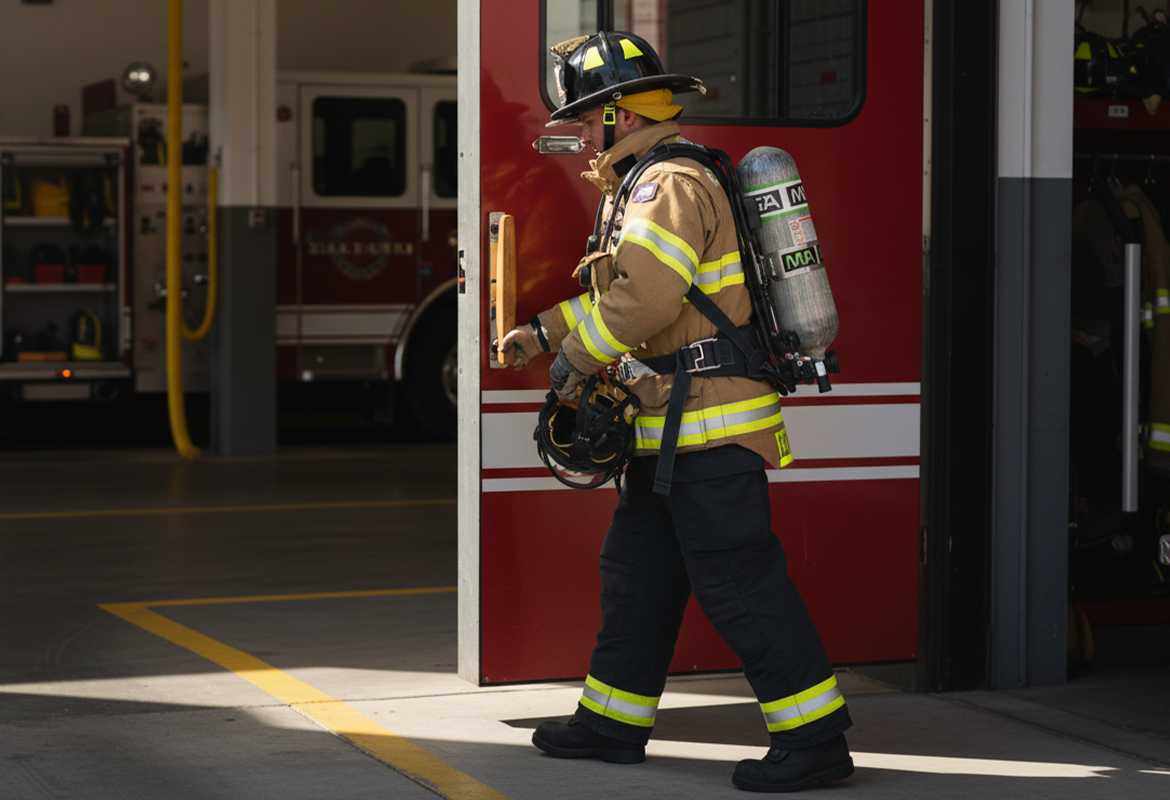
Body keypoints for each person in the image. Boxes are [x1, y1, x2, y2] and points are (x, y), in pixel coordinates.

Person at [498, 31, 854, 793]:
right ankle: (611, 723)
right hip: (670, 433)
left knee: (737, 582)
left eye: (586, 119)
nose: (582, 135)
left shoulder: (665, 184)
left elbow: (647, 299)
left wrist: (572, 362)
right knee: (638, 575)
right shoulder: (643, 182)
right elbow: (624, 294)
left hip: (710, 432)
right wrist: (544, 332)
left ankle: (815, 739)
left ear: (621, 115)